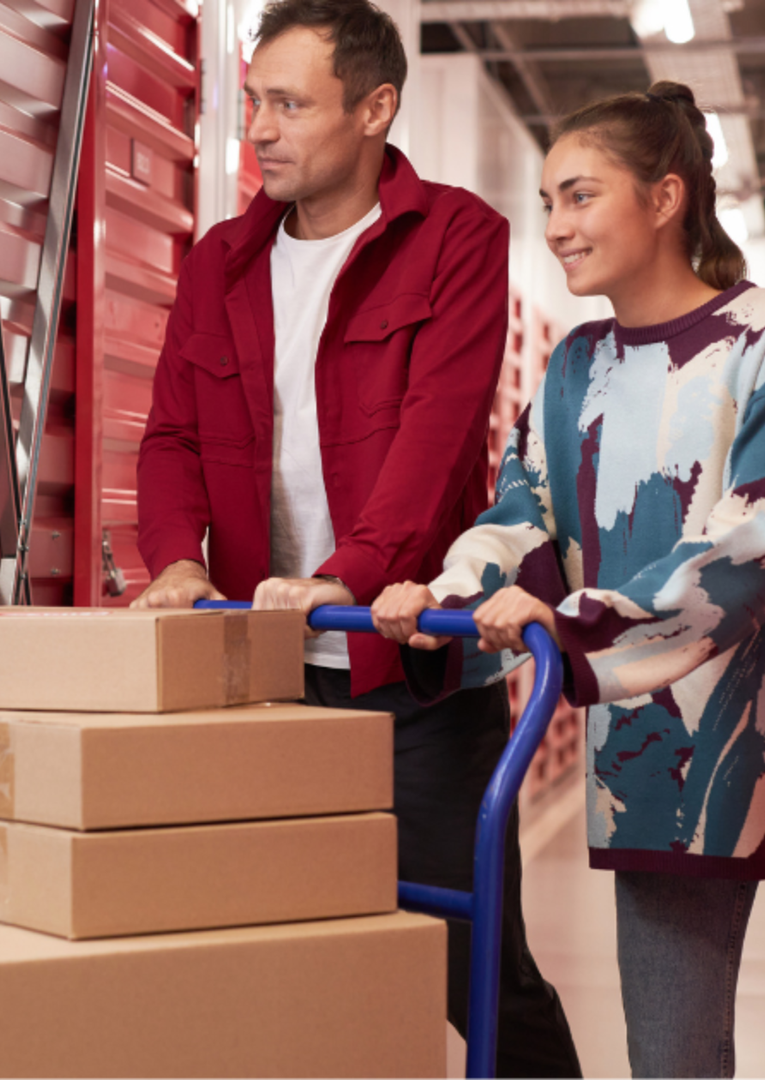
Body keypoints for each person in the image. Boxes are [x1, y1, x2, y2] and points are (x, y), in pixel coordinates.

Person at [371, 81, 765, 1077]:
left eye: (580, 196)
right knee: (673, 1064)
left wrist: (571, 623)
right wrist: (448, 599)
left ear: (666, 197)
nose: (556, 227)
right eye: (548, 202)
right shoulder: (574, 369)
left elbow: (750, 546)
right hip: (659, 762)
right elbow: (523, 518)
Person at [131, 1, 581, 1074]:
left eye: (289, 104)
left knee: (472, 970)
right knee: (285, 968)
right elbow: (170, 437)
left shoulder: (457, 239)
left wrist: (341, 575)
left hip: (410, 675)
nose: (261, 131)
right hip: (265, 677)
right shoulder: (221, 262)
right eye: (252, 105)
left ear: (376, 108)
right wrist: (178, 560)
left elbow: (433, 438)